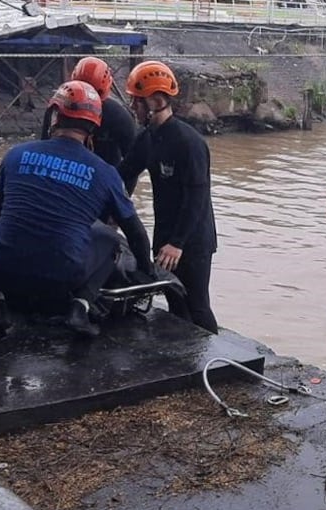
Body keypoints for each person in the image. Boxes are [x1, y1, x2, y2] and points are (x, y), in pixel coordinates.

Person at [0, 80, 153, 338]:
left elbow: (2, 208)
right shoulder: (106, 173)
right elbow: (136, 233)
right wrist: (147, 272)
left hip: (5, 268)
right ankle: (80, 307)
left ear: (54, 117)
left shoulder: (15, 154)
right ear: (93, 127)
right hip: (64, 277)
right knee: (110, 239)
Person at [118, 61, 219, 334]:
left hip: (193, 240)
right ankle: (188, 361)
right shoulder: (147, 138)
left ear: (157, 101)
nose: (133, 108)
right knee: (176, 303)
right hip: (164, 235)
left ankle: (218, 361)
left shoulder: (190, 143)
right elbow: (123, 173)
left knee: (197, 305)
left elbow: (197, 197)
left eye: (137, 102)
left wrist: (177, 243)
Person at [41, 56, 137, 169]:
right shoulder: (57, 108)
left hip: (103, 175)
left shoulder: (119, 117)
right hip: (66, 171)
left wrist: (119, 184)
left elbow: (131, 160)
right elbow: (45, 148)